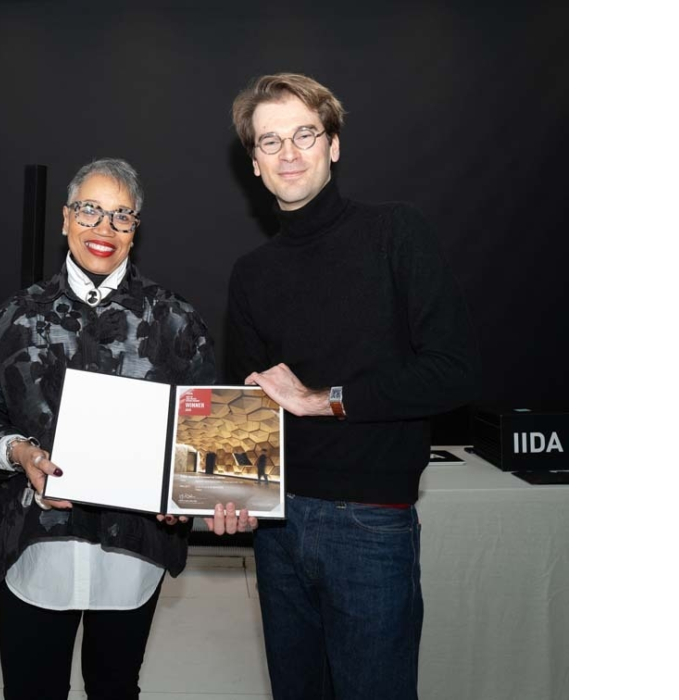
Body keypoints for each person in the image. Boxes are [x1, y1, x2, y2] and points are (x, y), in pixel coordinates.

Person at [0, 158, 253, 700]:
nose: (104, 229)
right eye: (90, 210)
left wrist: (187, 492)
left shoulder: (173, 320)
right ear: (65, 219)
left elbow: (206, 437)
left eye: (121, 216)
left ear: (137, 230)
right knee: (31, 690)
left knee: (115, 688)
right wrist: (18, 451)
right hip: (37, 547)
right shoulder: (17, 316)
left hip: (132, 555)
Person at [226, 74, 482, 699]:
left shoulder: (397, 233)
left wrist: (323, 400)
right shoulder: (251, 274)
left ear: (333, 144)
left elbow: (454, 370)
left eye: (305, 134)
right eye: (269, 141)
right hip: (278, 529)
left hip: (370, 525)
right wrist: (225, 493)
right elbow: (245, 408)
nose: (288, 153)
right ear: (255, 165)